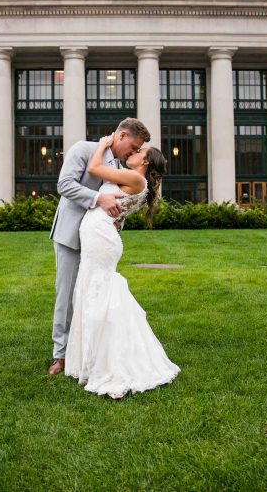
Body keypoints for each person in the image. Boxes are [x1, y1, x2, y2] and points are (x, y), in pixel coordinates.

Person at [64, 134, 179, 399]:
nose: (135, 152)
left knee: (100, 293)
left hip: (100, 238)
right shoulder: (131, 177)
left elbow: (94, 169)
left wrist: (104, 145)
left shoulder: (136, 179)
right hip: (99, 235)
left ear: (146, 161)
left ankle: (108, 358)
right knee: (93, 291)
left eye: (140, 151)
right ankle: (93, 356)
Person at [48, 118, 149, 375]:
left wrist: (115, 222)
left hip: (97, 240)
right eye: (134, 146)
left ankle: (86, 350)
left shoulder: (119, 165)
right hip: (71, 234)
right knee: (67, 294)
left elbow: (120, 203)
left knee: (91, 293)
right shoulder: (83, 149)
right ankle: (60, 355)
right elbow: (64, 185)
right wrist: (97, 198)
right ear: (122, 135)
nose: (134, 153)